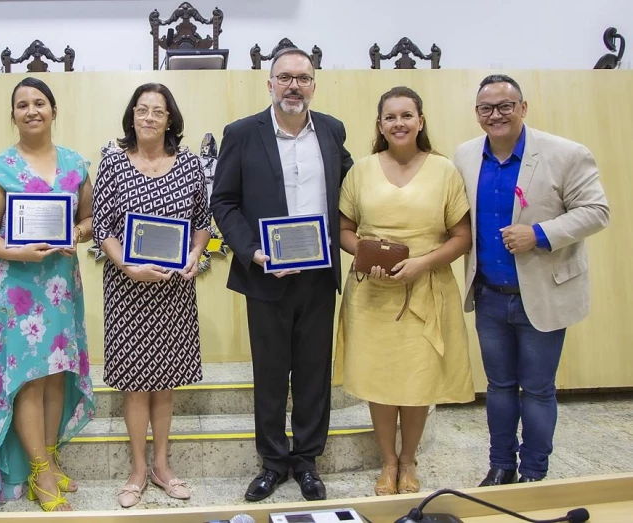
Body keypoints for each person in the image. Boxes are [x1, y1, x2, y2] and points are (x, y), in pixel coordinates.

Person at [210, 47, 353, 502]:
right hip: (265, 274)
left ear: (314, 84)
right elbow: (224, 201)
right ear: (269, 83)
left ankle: (307, 460)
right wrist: (252, 251)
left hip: (318, 274)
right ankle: (273, 462)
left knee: (314, 371)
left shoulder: (331, 131)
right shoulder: (242, 134)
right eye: (285, 77)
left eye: (303, 78)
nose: (294, 85)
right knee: (271, 373)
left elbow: (350, 191)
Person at [454, 75, 610, 486]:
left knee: (538, 390)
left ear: (523, 108)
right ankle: (501, 466)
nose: (496, 115)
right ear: (477, 114)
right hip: (489, 294)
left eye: (505, 106)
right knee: (499, 388)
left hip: (543, 293)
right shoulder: (465, 156)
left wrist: (539, 234)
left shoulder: (566, 154)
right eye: (486, 108)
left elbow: (596, 210)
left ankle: (534, 474)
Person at [334, 86, 474, 496]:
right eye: (390, 117)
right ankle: (388, 462)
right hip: (372, 293)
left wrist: (422, 264)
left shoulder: (444, 170)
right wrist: (364, 253)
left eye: (406, 115)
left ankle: (409, 459)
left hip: (427, 289)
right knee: (380, 380)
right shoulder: (360, 170)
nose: (399, 123)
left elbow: (461, 236)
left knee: (416, 382)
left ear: (420, 121)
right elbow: (343, 230)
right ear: (380, 124)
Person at [0, 77, 95, 511]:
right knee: (27, 379)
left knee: (56, 373)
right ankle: (39, 472)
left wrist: (75, 234)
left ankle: (51, 457)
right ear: (14, 115)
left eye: (39, 102)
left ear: (53, 110)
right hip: (17, 289)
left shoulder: (76, 164)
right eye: (21, 105)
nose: (31, 110)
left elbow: (88, 219)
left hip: (60, 286)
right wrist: (16, 250)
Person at [92, 83, 211, 508]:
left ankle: (162, 465)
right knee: (135, 384)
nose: (148, 118)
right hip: (128, 288)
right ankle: (138, 469)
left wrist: (196, 253)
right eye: (141, 110)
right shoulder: (112, 165)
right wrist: (126, 264)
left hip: (173, 292)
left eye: (157, 112)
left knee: (164, 384)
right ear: (131, 117)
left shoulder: (190, 165)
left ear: (170, 120)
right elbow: (102, 226)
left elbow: (202, 221)